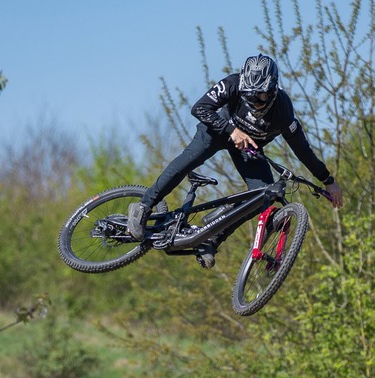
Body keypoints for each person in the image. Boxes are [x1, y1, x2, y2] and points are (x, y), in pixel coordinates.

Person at [126, 54, 343, 254]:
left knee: (264, 195)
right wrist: (231, 130)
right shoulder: (233, 83)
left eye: (261, 96)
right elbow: (199, 108)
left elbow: (303, 150)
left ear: (273, 89)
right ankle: (143, 206)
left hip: (248, 147)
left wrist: (327, 180)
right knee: (188, 160)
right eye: (249, 96)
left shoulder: (283, 111)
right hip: (217, 131)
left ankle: (212, 238)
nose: (255, 102)